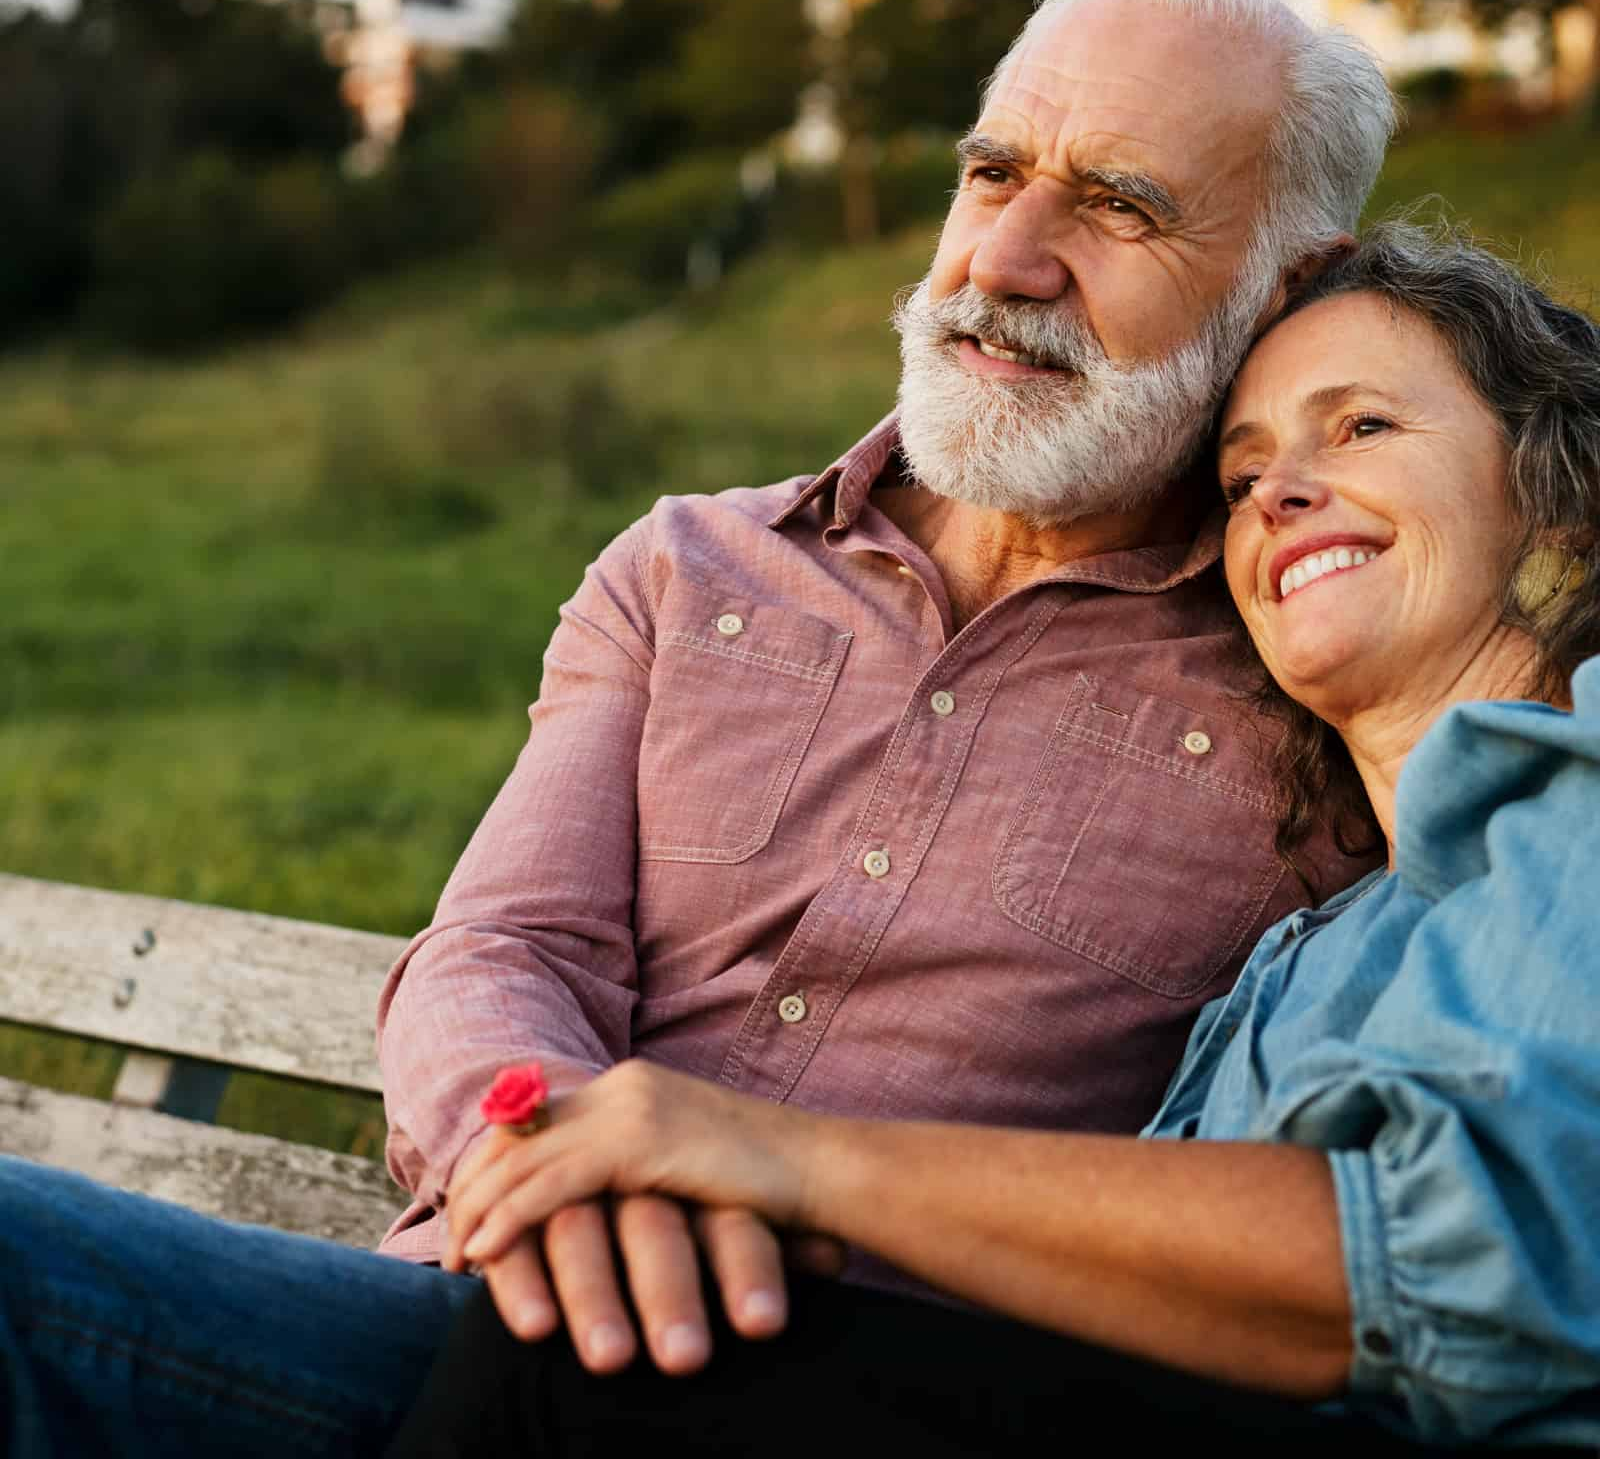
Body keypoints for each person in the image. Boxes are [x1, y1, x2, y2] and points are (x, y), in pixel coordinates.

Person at [389, 218, 1600, 1456]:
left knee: (572, 1379)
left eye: (1361, 428)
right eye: (1238, 480)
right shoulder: (1306, 955)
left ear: (1559, 499)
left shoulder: (1581, 794)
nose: (1279, 491)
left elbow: (1463, 1260)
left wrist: (788, 1161)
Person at [375, 0, 1394, 1374]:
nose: (1007, 258)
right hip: (476, 1304)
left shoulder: (1325, 679)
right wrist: (550, 1168)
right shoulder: (689, 565)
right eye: (992, 174)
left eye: (1117, 206)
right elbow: (507, 949)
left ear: (1289, 288)